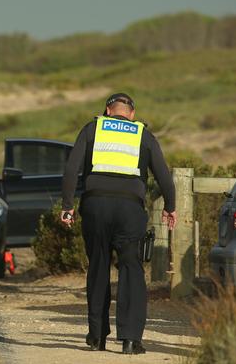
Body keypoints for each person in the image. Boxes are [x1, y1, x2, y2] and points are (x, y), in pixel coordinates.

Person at [60, 93, 177, 354]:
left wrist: (67, 206)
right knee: (131, 269)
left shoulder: (93, 128)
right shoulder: (142, 134)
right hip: (129, 209)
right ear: (131, 113)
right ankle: (130, 339)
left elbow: (71, 170)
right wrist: (170, 207)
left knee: (98, 266)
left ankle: (97, 337)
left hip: (95, 206)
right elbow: (164, 177)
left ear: (108, 110)